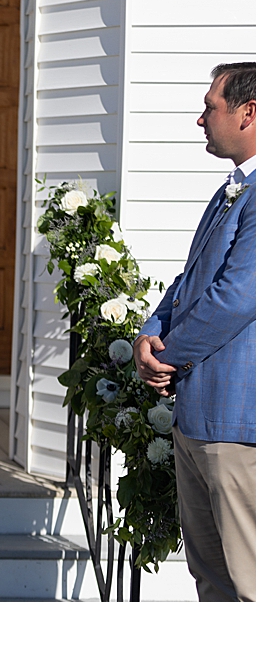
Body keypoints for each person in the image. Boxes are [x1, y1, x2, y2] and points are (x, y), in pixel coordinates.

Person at [133, 62, 255, 602]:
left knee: (250, 586)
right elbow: (190, 280)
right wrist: (150, 332)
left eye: (210, 107)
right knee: (210, 582)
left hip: (237, 422)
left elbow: (237, 299)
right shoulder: (231, 189)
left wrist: (169, 356)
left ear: (247, 113)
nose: (200, 120)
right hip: (197, 419)